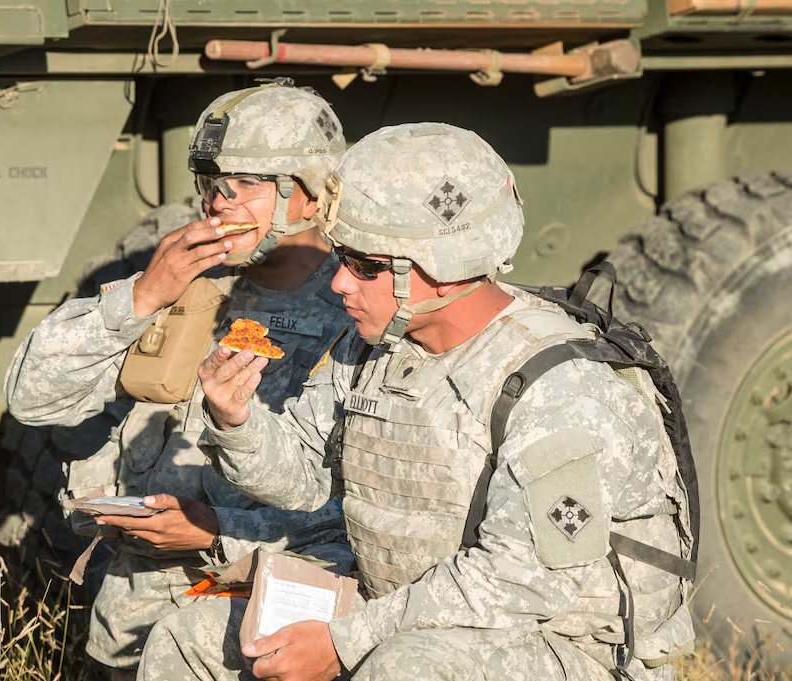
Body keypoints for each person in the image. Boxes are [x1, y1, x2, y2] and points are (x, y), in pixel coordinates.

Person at [147, 122, 696, 680]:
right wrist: (235, 418)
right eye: (341, 256)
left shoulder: (563, 386)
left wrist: (343, 644)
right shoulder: (373, 349)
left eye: (365, 264)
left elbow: (522, 581)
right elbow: (304, 483)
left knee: (405, 669)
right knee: (190, 638)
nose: (338, 283)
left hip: (559, 644)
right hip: (411, 615)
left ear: (439, 267)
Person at [4, 79, 354, 679]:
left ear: (313, 194)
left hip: (256, 619)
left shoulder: (359, 309)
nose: (219, 203)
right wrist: (139, 299)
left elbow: (377, 513)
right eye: (212, 184)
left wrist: (217, 533)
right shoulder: (185, 285)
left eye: (245, 184)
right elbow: (31, 398)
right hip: (130, 616)